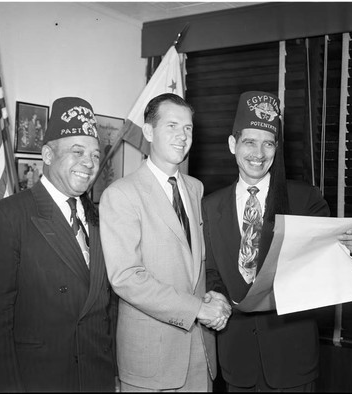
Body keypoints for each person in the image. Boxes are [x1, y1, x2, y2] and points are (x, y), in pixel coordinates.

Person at [202, 91, 352, 392]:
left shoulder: (305, 199)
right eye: (249, 142)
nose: (258, 153)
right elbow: (211, 272)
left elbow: (327, 262)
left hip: (292, 359)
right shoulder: (209, 205)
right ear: (233, 144)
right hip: (236, 359)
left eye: (268, 143)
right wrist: (214, 298)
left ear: (277, 148)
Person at [0, 97, 117, 392]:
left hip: (95, 380)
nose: (89, 163)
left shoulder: (101, 219)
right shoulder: (6, 218)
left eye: (95, 154)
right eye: (77, 152)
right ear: (47, 155)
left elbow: (105, 312)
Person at [100, 93, 232, 392]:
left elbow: (195, 264)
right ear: (148, 131)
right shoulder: (122, 194)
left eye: (188, 128)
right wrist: (198, 309)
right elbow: (127, 278)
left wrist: (215, 296)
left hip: (200, 354)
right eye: (172, 125)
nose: (182, 136)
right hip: (152, 360)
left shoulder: (196, 189)